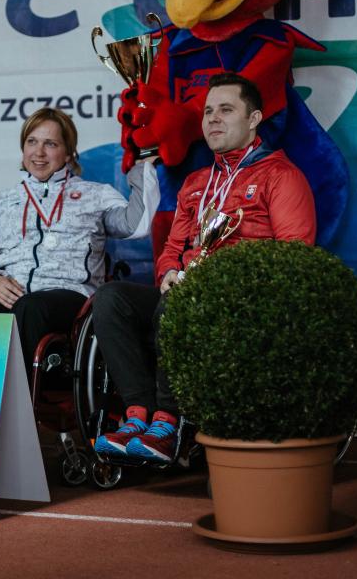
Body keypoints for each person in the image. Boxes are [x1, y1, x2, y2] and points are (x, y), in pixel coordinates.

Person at [92, 72, 316, 462]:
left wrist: (224, 281)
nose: (212, 118)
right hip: (186, 295)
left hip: (242, 302)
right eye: (208, 111)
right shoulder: (196, 182)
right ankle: (137, 415)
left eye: (226, 110)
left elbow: (295, 259)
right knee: (112, 298)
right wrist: (167, 275)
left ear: (254, 119)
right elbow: (173, 248)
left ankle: (169, 423)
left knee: (180, 304)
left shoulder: (281, 176)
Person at [0, 107, 158, 363]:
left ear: (69, 152)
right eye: (32, 142)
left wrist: (142, 169)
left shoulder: (96, 194)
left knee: (31, 307)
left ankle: (22, 399)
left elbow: (136, 226)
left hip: (69, 295)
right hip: (12, 295)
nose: (38, 152)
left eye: (50, 144)